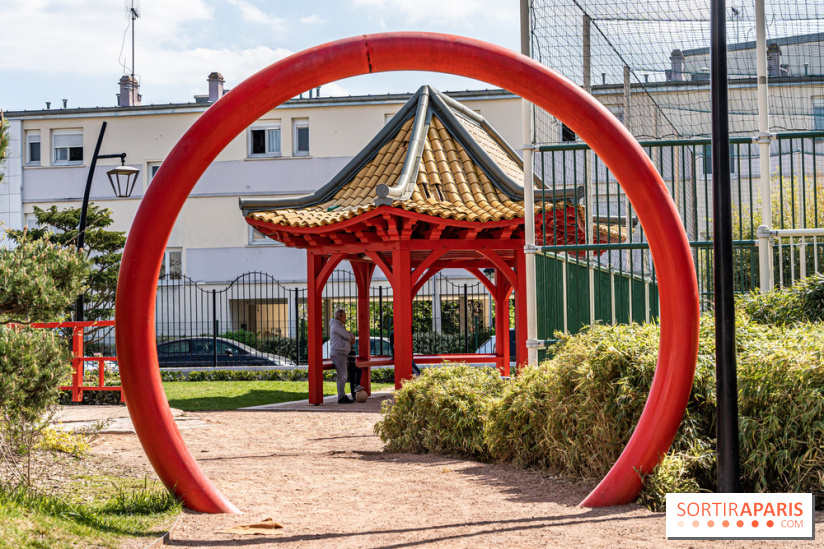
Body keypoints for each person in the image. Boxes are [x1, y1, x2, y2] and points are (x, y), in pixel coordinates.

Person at [329, 308, 355, 404]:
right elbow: (347, 336)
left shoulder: (339, 325)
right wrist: (351, 336)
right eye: (344, 316)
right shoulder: (336, 325)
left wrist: (349, 336)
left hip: (342, 353)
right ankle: (341, 397)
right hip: (338, 353)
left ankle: (342, 395)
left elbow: (346, 336)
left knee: (343, 375)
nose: (345, 318)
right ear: (340, 316)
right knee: (343, 375)